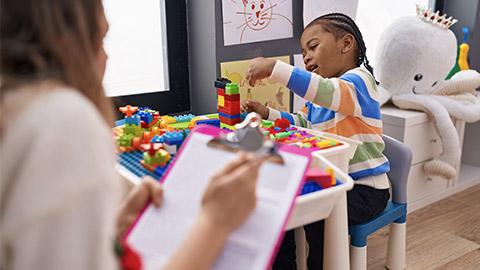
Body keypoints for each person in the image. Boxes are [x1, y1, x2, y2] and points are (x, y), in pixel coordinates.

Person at [0, 0, 266, 269]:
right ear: (65, 42)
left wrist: (115, 226)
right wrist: (215, 222)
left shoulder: (17, 111)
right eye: (100, 39)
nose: (106, 57)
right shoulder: (62, 120)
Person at [242, 13, 390, 270]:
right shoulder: (320, 98)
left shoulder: (359, 82)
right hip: (334, 181)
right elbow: (301, 123)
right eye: (303, 52)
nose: (306, 57)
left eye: (313, 47)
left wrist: (274, 68)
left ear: (346, 44)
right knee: (286, 205)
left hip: (365, 189)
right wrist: (268, 114)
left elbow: (327, 92)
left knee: (318, 217)